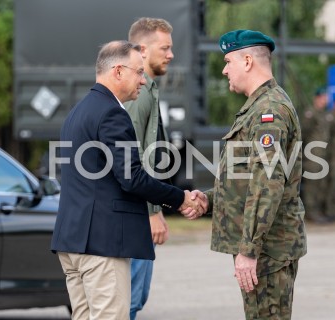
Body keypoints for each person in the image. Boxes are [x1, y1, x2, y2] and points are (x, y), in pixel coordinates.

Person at [50, 40, 204, 320]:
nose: (143, 81)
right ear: (118, 71)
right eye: (139, 72)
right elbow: (132, 178)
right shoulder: (112, 114)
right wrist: (180, 198)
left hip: (72, 241)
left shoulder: (76, 112)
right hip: (101, 245)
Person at [186, 29, 307, 319]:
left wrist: (249, 250)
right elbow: (249, 177)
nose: (225, 70)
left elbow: (267, 184)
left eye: (228, 61)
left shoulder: (269, 111)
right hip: (265, 247)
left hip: (268, 251)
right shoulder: (258, 107)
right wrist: (210, 199)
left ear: (248, 61)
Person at [123, 17, 174, 320]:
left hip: (141, 208)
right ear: (142, 49)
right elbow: (133, 158)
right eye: (165, 48)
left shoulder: (149, 90)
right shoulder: (139, 94)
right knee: (127, 301)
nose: (170, 54)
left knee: (136, 298)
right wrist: (152, 211)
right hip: (134, 214)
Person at [300, 87, 332, 223]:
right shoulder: (310, 114)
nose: (324, 101)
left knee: (321, 184)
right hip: (312, 155)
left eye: (326, 98)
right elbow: (302, 134)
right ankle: (310, 211)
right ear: (316, 99)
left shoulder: (324, 115)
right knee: (311, 185)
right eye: (322, 98)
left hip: (323, 155)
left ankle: (317, 210)